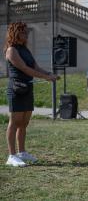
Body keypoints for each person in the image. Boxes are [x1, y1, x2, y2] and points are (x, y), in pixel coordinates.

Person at [4, 22, 59, 167]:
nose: (26, 34)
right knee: (14, 122)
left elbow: (36, 67)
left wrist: (49, 74)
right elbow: (25, 69)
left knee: (24, 123)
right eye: (22, 32)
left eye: (26, 32)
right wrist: (46, 78)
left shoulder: (25, 50)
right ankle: (11, 155)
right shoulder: (11, 50)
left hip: (28, 88)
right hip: (16, 89)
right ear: (15, 33)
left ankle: (22, 152)